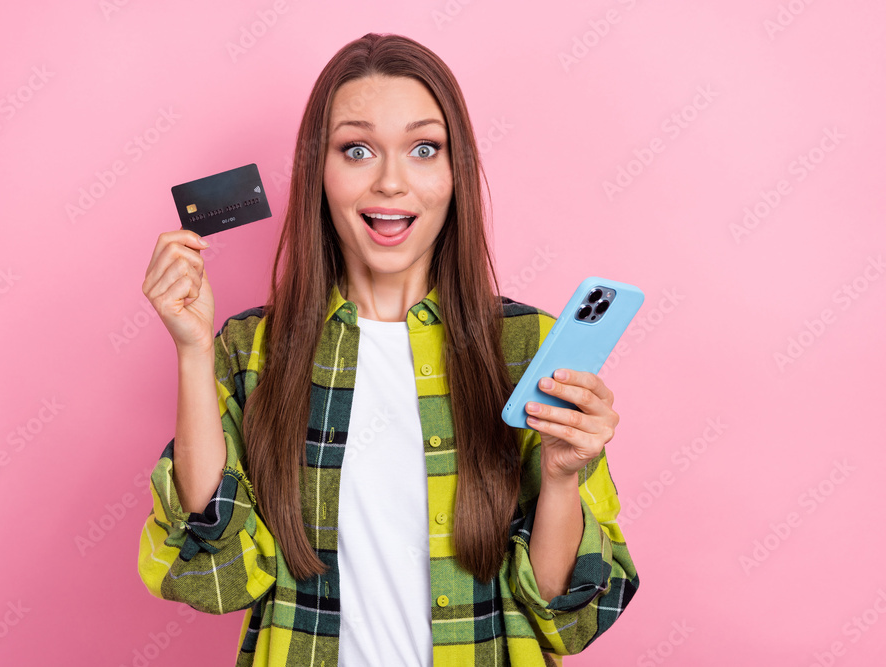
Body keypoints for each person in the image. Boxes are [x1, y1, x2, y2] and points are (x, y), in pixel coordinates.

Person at [138, 32, 638, 667]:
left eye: (424, 148)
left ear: (456, 174)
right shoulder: (251, 351)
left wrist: (564, 478)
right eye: (357, 149)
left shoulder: (527, 349)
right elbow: (219, 579)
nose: (392, 182)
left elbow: (564, 617)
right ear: (319, 171)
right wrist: (191, 350)